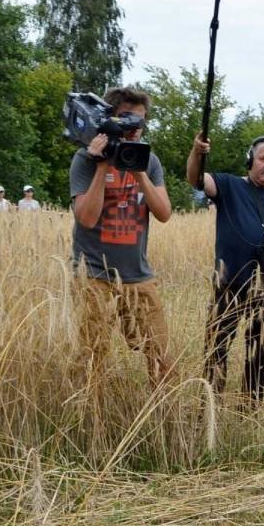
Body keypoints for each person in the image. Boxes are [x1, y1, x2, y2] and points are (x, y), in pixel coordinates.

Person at [187, 133, 264, 404]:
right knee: (216, 348)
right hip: (229, 285)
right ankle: (211, 405)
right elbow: (196, 179)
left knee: (259, 352)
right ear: (250, 160)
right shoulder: (229, 185)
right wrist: (197, 153)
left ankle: (251, 406)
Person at [70, 86, 174, 389]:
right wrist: (102, 166)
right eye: (127, 121)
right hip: (93, 273)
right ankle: (90, 418)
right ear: (109, 119)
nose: (134, 129)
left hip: (137, 274)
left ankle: (164, 417)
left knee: (160, 353)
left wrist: (138, 170)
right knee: (92, 355)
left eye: (140, 123)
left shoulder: (149, 160)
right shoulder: (85, 159)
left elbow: (164, 213)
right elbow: (87, 218)